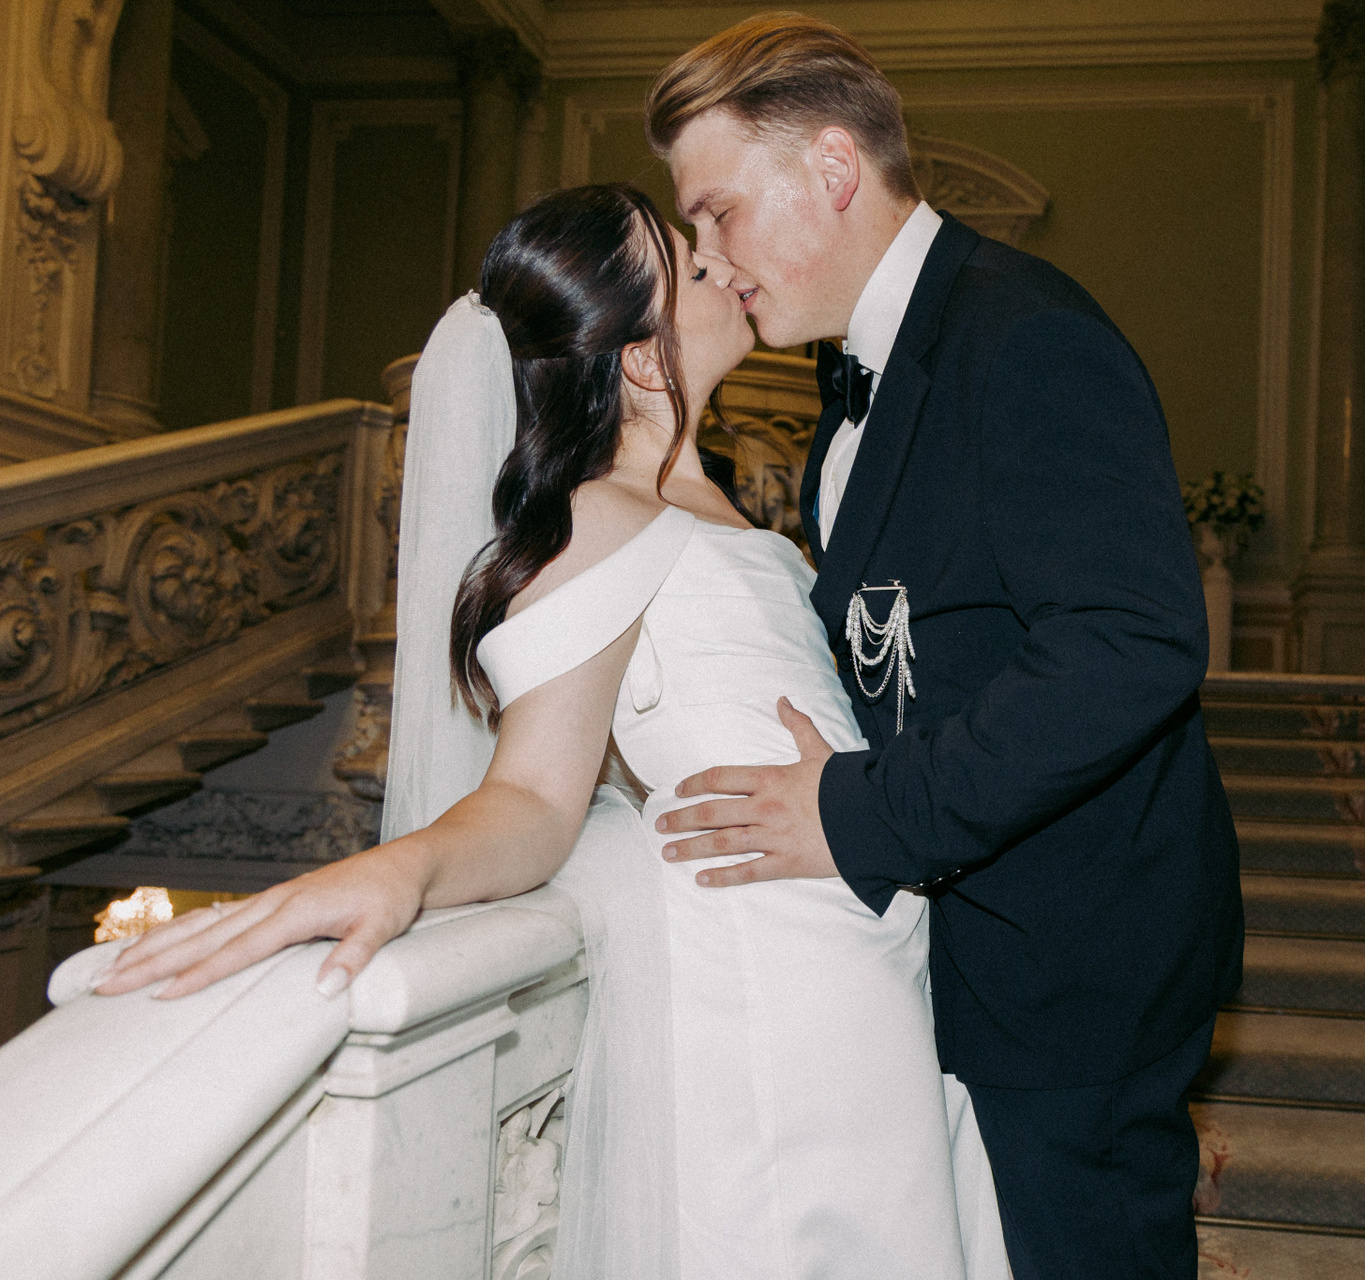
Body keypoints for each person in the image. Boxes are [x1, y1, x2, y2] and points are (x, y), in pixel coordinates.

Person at [90, 183, 1009, 1280]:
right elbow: (533, 792)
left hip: (854, 957)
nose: (722, 262)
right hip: (771, 988)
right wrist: (399, 871)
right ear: (639, 358)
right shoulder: (595, 517)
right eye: (690, 264)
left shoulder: (723, 506)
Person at [644, 14, 1244, 1279]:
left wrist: (863, 811)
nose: (709, 257)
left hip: (1075, 962)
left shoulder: (1023, 333)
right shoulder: (854, 384)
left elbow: (1131, 642)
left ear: (832, 167)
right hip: (975, 949)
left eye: (719, 213)